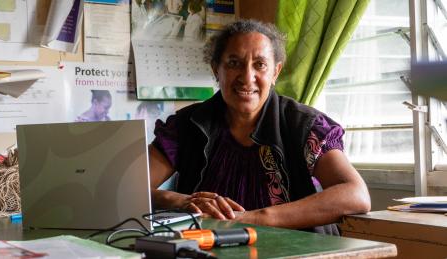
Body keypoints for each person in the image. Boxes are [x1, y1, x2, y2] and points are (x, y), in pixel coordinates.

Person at [149, 20, 371, 235]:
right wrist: (178, 200)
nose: (247, 77)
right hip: (212, 250)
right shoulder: (186, 126)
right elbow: (123, 189)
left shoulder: (305, 125)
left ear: (275, 72)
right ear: (216, 69)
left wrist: (255, 218)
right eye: (234, 63)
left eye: (260, 64)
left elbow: (355, 194)